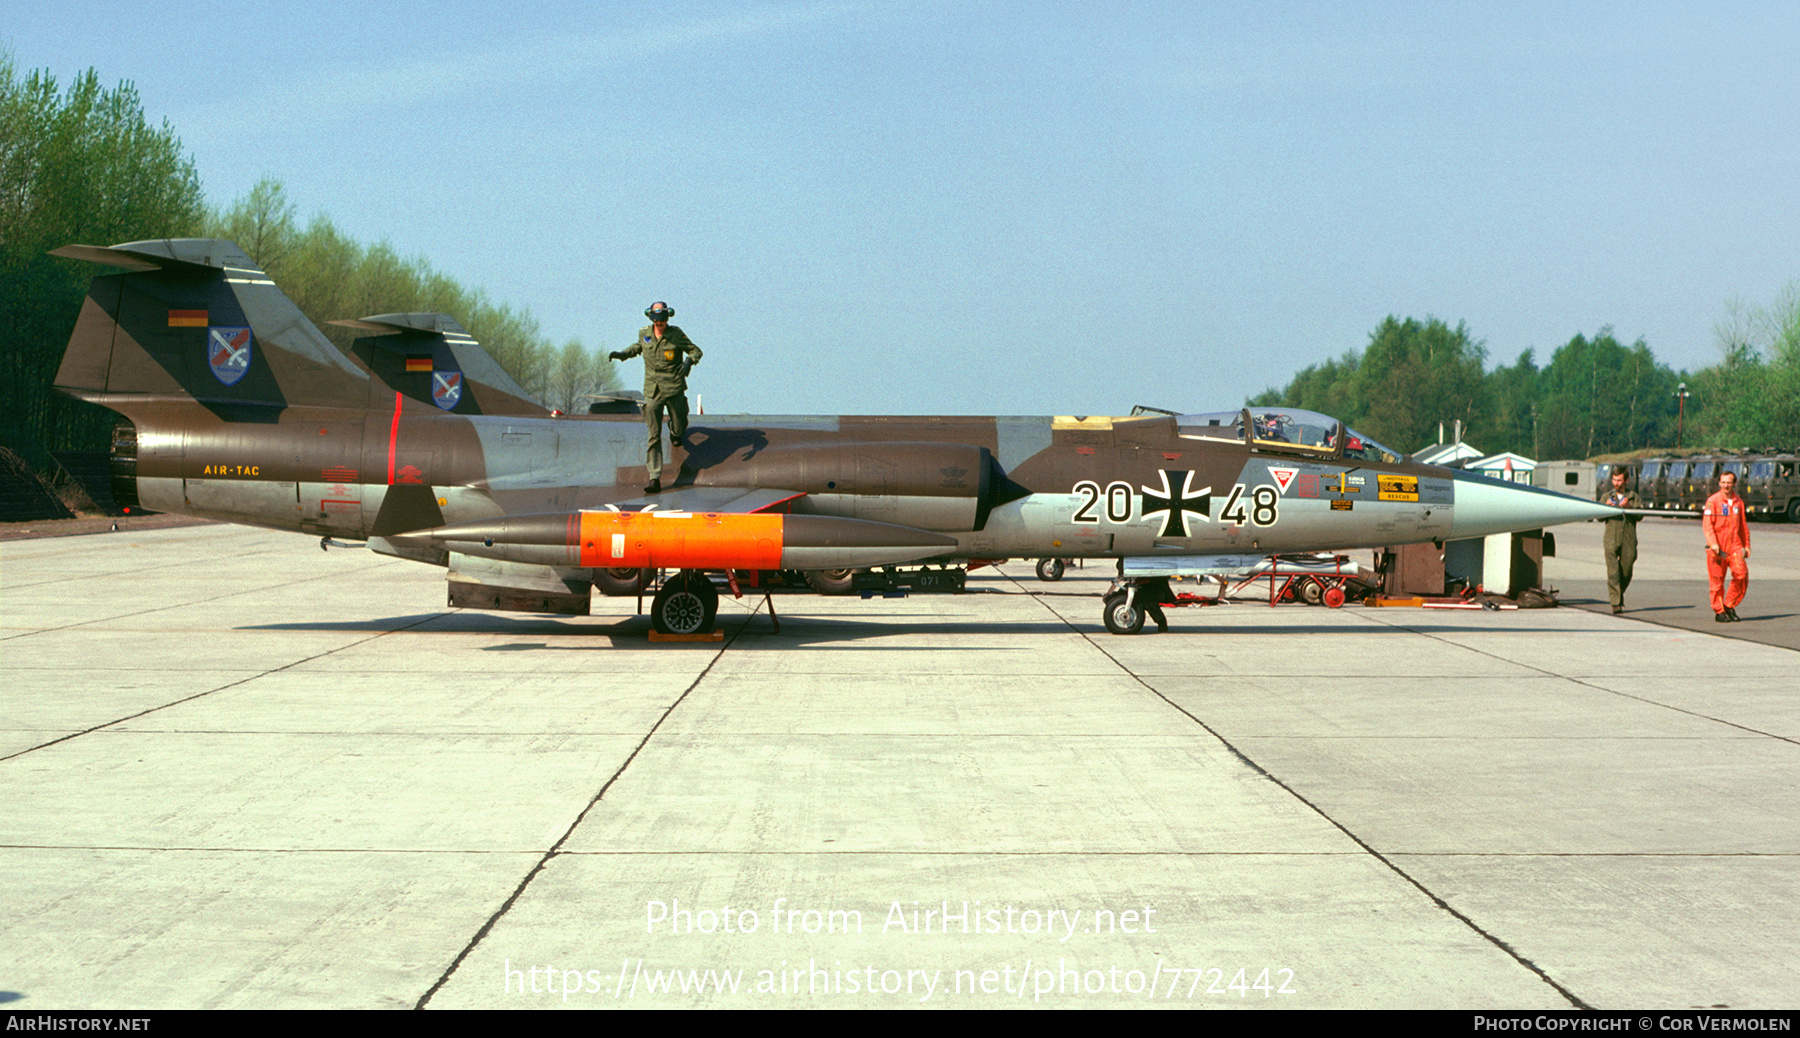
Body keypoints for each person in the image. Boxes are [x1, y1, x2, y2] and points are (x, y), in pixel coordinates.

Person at [609, 302, 702, 493]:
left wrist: (688, 361)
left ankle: (676, 433)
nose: (659, 324)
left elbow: (695, 351)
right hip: (652, 391)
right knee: (653, 435)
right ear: (651, 319)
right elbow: (638, 347)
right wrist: (622, 354)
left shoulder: (676, 334)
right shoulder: (645, 333)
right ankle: (654, 477)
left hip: (674, 388)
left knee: (680, 423)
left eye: (662, 320)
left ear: (667, 318)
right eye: (656, 320)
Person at [1702, 470, 1750, 622]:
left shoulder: (1739, 502)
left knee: (1741, 575)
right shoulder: (1713, 501)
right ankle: (1719, 611)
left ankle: (1729, 604)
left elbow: (1742, 525)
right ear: (1719, 483)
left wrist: (1746, 545)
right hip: (1717, 546)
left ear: (1734, 483)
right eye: (1723, 482)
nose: (1726, 485)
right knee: (1716, 580)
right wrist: (1713, 543)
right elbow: (1707, 525)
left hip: (1735, 545)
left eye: (1729, 482)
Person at [1600, 468, 1642, 614]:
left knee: (1627, 569)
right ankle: (1615, 603)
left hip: (1628, 537)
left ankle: (1617, 593)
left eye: (1619, 480)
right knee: (1613, 572)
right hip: (1611, 537)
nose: (1616, 483)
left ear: (1625, 481)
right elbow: (1598, 517)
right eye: (1614, 480)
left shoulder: (1633, 496)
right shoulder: (1607, 496)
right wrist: (1605, 507)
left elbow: (1639, 516)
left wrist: (1629, 507)